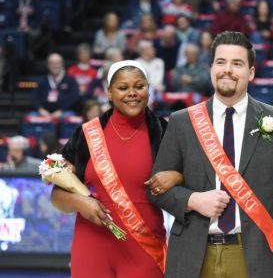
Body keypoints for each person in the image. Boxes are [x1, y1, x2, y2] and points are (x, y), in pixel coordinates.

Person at [146, 31, 273, 277]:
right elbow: (156, 189)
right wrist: (192, 200)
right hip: (193, 257)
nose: (227, 70)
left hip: (259, 258)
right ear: (211, 68)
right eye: (220, 62)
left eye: (237, 63)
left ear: (251, 72)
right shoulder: (182, 122)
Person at [50, 60, 182, 277]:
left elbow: (192, 183)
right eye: (123, 88)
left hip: (144, 248)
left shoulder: (165, 132)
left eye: (139, 86)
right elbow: (57, 197)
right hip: (92, 247)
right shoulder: (86, 135)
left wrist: (177, 176)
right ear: (109, 93)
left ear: (149, 89)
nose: (132, 93)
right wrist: (80, 202)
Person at [31, 53, 80, 119]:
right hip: (44, 112)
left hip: (64, 112)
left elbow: (74, 97)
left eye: (57, 63)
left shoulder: (70, 80)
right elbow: (34, 97)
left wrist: (61, 111)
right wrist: (41, 110)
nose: (55, 65)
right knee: (31, 116)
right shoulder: (41, 81)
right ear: (48, 65)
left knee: (68, 117)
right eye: (52, 63)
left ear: (62, 65)